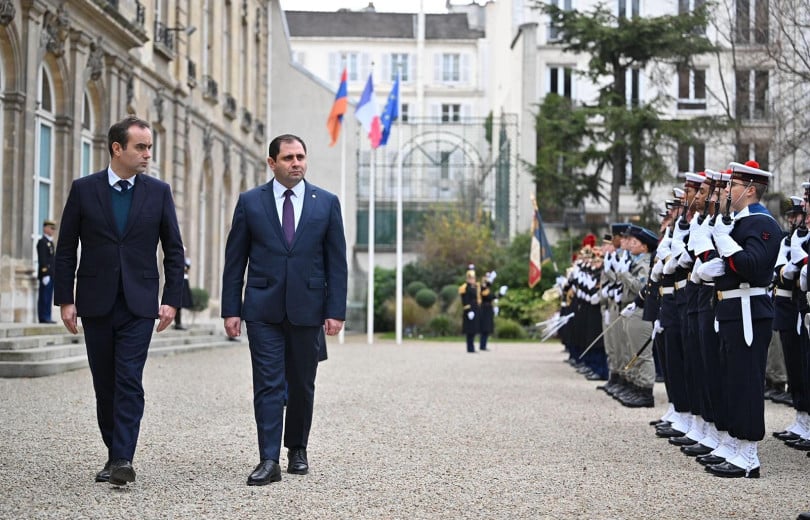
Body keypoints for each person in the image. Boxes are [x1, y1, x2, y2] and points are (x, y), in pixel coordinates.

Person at [54, 115, 185, 486]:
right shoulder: (84, 189)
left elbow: (174, 251)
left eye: (149, 148)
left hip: (139, 304)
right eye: (140, 147)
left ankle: (123, 458)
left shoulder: (158, 192)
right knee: (105, 384)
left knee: (129, 379)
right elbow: (65, 250)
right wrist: (65, 299)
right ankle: (114, 454)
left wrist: (171, 300)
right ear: (117, 148)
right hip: (95, 302)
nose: (147, 154)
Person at [221, 133, 347, 486]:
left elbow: (337, 262)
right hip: (262, 309)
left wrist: (335, 310)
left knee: (303, 385)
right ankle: (268, 459)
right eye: (289, 157)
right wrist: (231, 308)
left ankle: (297, 448)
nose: (297, 163)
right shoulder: (250, 202)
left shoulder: (326, 202)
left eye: (301, 157)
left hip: (308, 309)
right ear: (272, 162)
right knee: (268, 384)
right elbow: (235, 261)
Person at [696, 160, 782, 478]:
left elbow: (752, 266)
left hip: (750, 312)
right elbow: (729, 266)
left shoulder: (764, 224)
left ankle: (749, 456)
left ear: (749, 189)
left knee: (746, 382)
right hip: (730, 309)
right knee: (731, 381)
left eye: (733, 185)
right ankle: (734, 442)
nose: (727, 190)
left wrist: (725, 244)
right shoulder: (736, 223)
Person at [36, 219, 57, 323]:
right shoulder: (42, 242)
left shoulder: (50, 242)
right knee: (44, 297)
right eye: (51, 228)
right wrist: (45, 273)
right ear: (45, 228)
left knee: (48, 297)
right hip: (46, 274)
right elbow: (43, 259)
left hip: (51, 274)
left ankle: (47, 316)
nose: (53, 230)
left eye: (54, 228)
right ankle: (43, 317)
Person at [459, 266, 481, 353]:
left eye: (473, 278)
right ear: (467, 279)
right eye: (471, 278)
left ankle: (472, 347)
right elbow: (465, 300)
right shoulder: (465, 287)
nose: (473, 280)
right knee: (470, 330)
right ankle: (470, 348)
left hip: (475, 309)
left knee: (473, 329)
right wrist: (468, 310)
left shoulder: (474, 287)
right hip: (469, 310)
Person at [174, 249, 193, 330]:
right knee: (178, 303)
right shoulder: (177, 259)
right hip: (178, 282)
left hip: (185, 282)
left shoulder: (186, 260)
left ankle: (179, 323)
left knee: (181, 303)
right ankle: (177, 323)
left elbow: (186, 269)